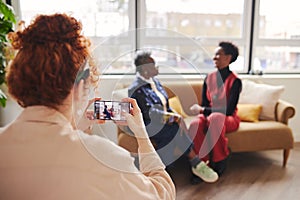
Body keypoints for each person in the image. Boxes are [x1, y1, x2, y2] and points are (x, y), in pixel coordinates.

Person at [0, 14, 176, 199]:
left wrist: (77, 128)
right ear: (81, 85)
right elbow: (160, 195)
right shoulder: (104, 158)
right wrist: (142, 135)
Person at [128, 51, 218, 183]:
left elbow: (165, 106)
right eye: (153, 65)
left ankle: (161, 171)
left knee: (173, 131)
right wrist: (174, 119)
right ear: (145, 69)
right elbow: (150, 113)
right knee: (175, 130)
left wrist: (176, 116)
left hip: (162, 124)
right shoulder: (136, 88)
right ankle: (196, 163)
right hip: (148, 124)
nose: (156, 67)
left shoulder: (156, 82)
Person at [188, 41, 242, 178]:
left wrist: (203, 110)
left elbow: (228, 110)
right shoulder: (209, 78)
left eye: (218, 54)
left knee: (215, 118)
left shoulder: (235, 81)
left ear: (228, 58)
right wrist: (203, 111)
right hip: (210, 115)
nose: (214, 57)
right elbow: (205, 103)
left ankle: (220, 158)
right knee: (195, 123)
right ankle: (202, 164)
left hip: (228, 119)